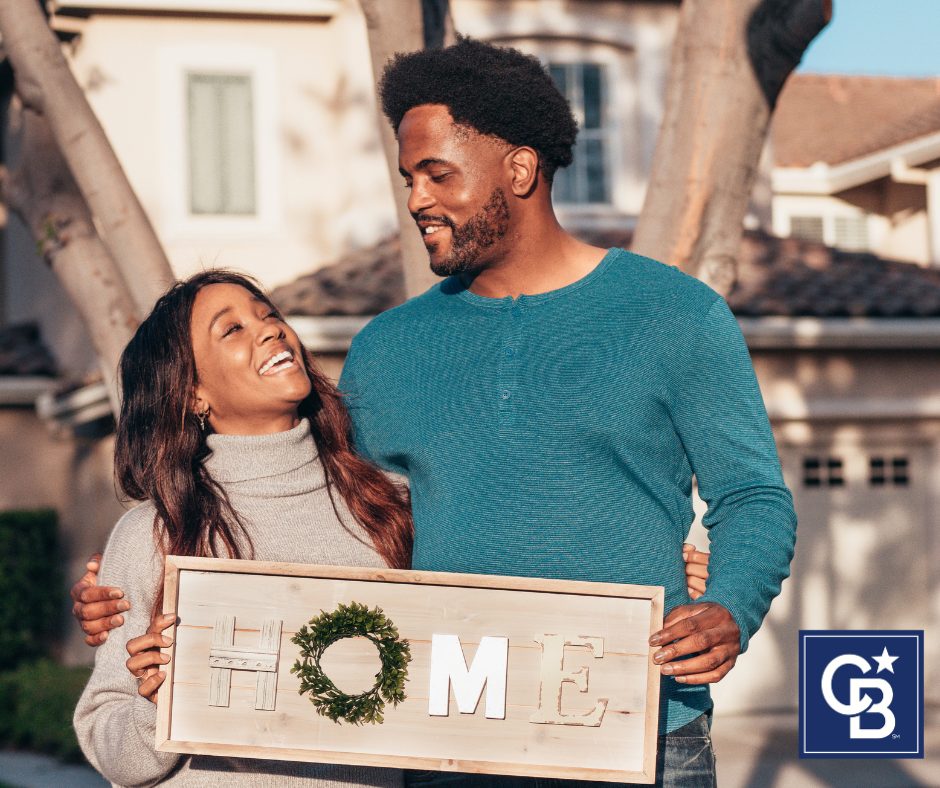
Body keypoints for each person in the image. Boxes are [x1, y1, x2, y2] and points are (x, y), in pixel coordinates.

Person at [74, 37, 793, 788]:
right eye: (408, 177)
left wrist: (728, 606)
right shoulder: (388, 348)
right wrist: (129, 591)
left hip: (644, 733)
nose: (416, 199)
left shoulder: (675, 314)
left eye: (438, 174)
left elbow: (753, 498)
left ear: (519, 169)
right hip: (446, 739)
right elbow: (349, 520)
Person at [73, 270, 411, 787]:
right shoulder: (152, 534)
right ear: (192, 394)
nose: (271, 329)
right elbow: (115, 752)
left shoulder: (390, 505)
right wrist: (159, 703)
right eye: (230, 329)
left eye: (267, 313)